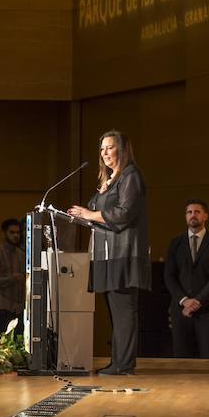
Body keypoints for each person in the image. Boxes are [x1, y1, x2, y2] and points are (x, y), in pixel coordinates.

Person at [68, 130, 150, 375]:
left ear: (122, 150)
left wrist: (90, 214)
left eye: (110, 147)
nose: (104, 152)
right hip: (107, 254)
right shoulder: (112, 180)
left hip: (123, 254)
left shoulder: (131, 175)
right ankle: (118, 362)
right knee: (116, 314)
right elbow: (97, 211)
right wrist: (91, 207)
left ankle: (124, 365)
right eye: (102, 148)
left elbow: (125, 213)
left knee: (123, 313)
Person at [163, 199, 209, 359]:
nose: (193, 215)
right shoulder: (175, 243)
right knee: (181, 360)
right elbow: (169, 276)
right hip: (181, 312)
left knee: (207, 360)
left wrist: (197, 301)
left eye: (197, 212)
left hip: (207, 312)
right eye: (189, 212)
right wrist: (184, 300)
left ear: (205, 216)